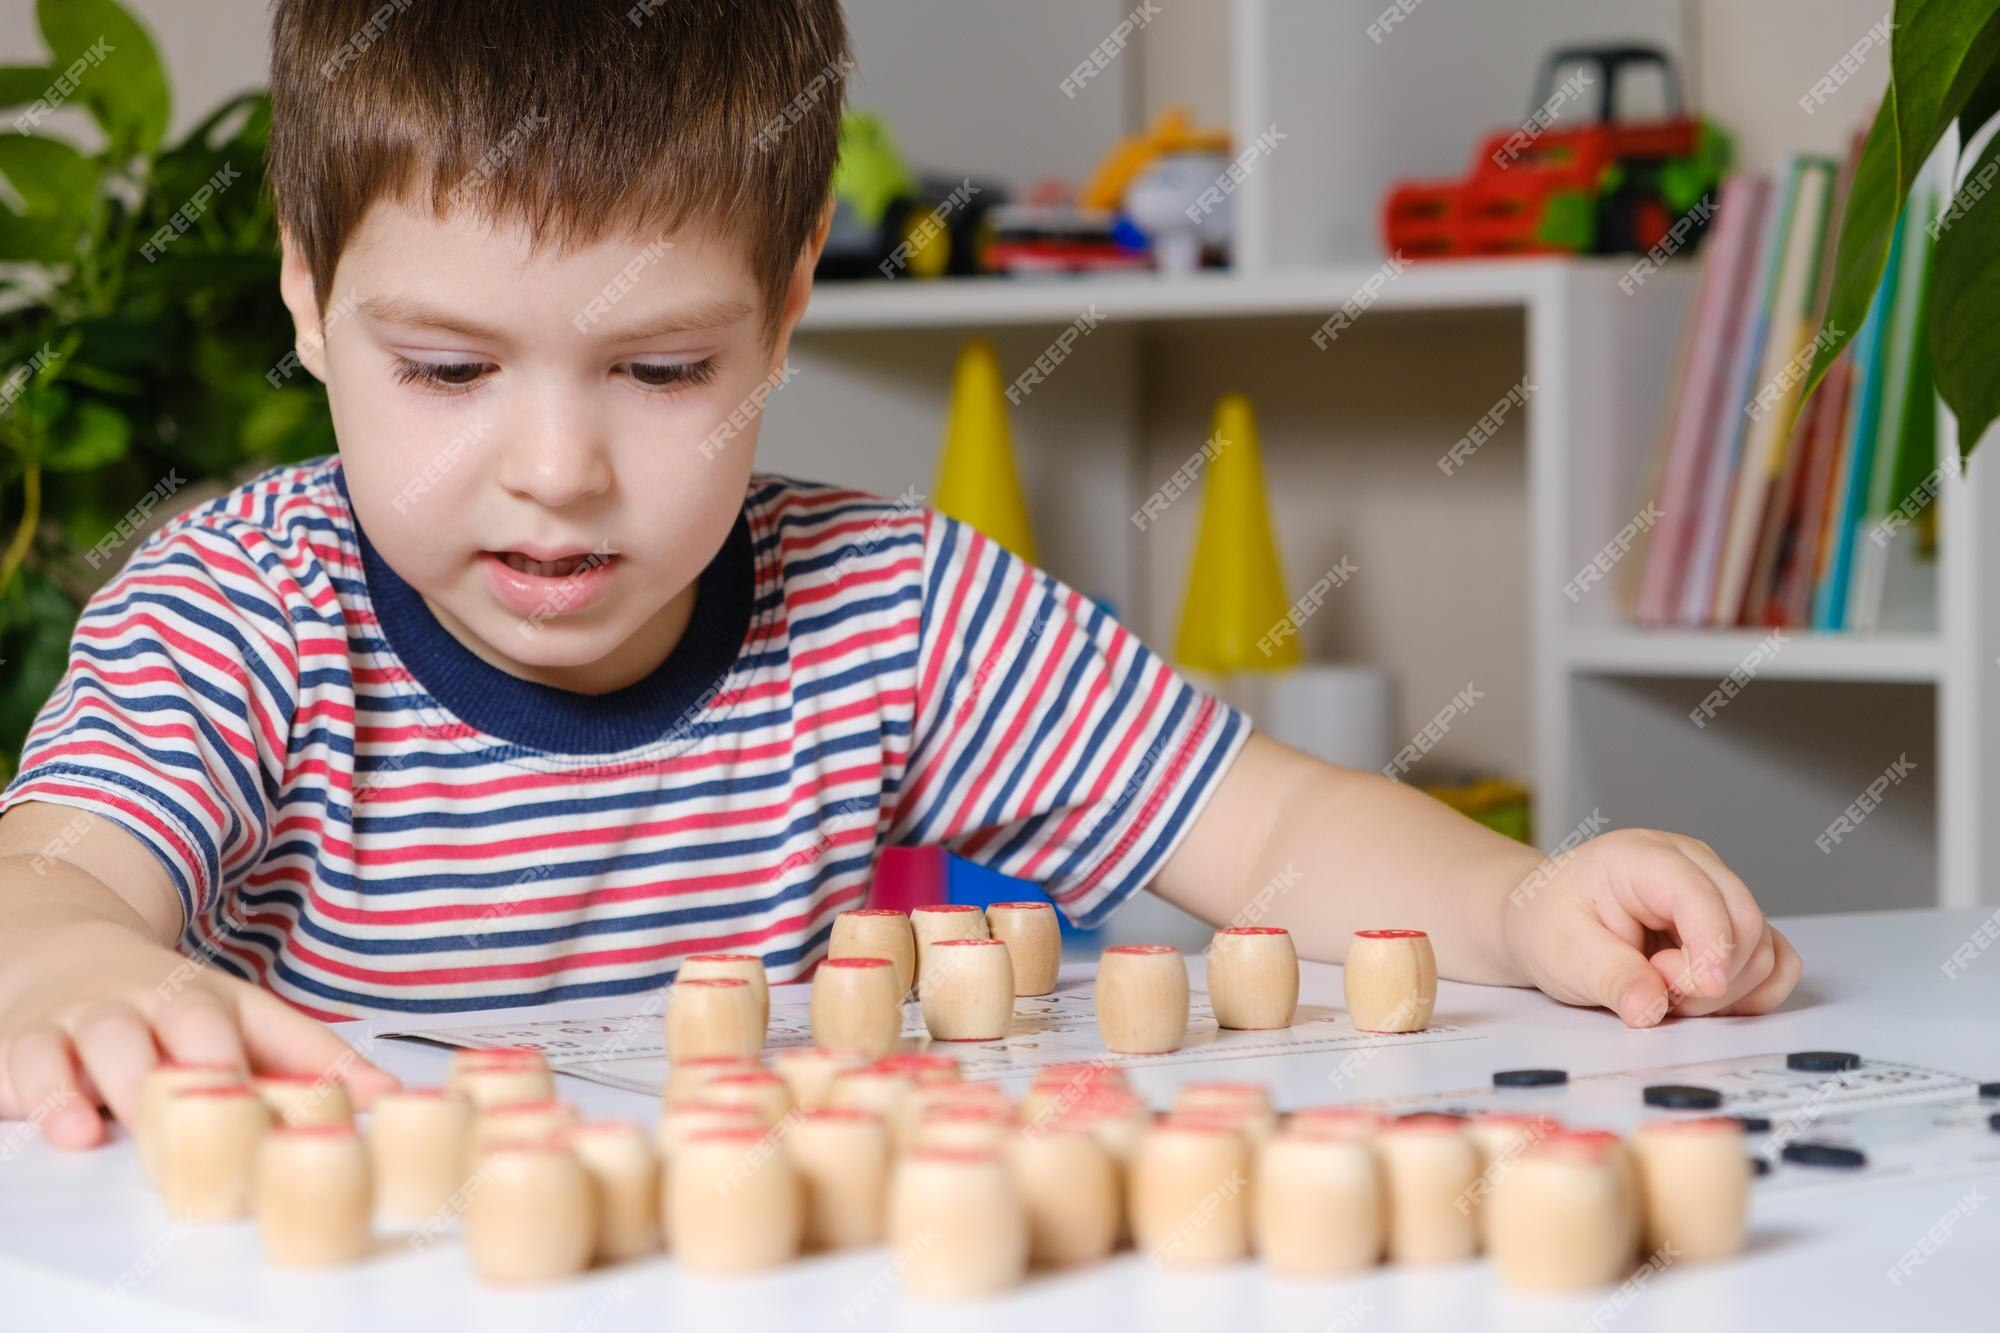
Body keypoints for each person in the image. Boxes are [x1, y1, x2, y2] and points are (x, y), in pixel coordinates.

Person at [0, 0, 1798, 1150]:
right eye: (453, 372)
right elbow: (57, 870)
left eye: (662, 370)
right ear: (310, 297)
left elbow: (1267, 831)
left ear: (784, 318)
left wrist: (1526, 904)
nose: (558, 468)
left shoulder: (885, 605)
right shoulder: (238, 608)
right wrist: (64, 963)